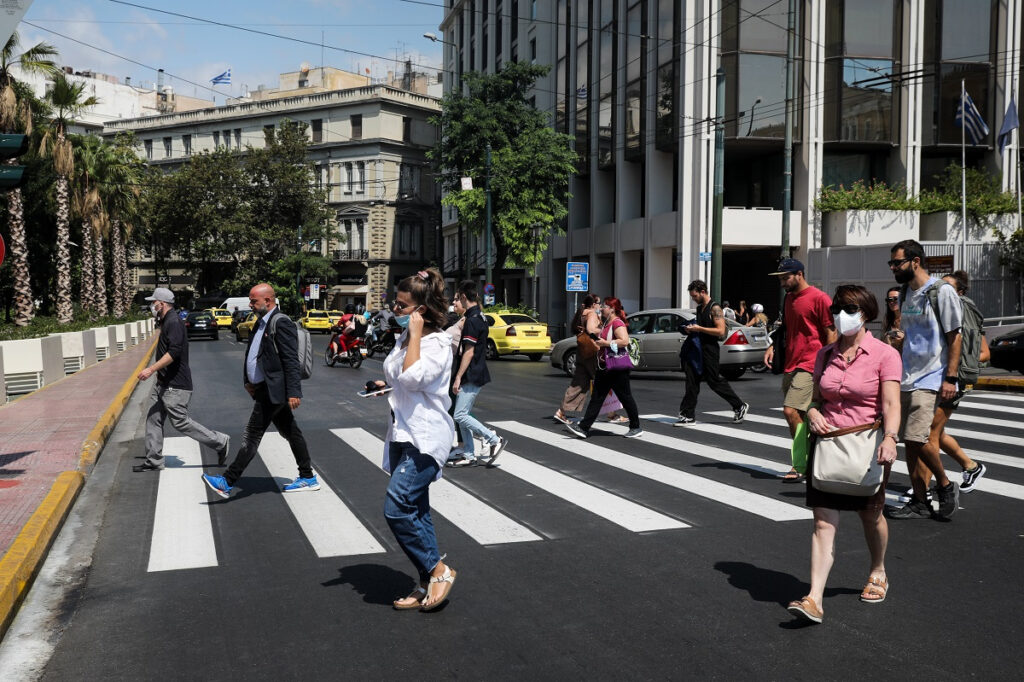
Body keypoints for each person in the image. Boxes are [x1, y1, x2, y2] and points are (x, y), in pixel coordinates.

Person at [786, 285, 901, 625]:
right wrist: (812, 412)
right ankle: (814, 598)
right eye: (837, 309)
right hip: (828, 446)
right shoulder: (825, 354)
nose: (840, 315)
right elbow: (817, 398)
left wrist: (891, 438)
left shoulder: (884, 354)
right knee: (823, 522)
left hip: (867, 446)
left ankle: (878, 570)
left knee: (871, 516)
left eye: (849, 309)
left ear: (866, 313)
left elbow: (892, 403)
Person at [379, 268, 458, 611]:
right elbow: (399, 378)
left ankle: (438, 570)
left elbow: (412, 377)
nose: (394, 310)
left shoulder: (438, 344)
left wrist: (413, 336)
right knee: (416, 509)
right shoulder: (404, 340)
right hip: (402, 433)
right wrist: (382, 387)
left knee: (396, 507)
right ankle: (427, 580)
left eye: (401, 306)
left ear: (420, 311)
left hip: (426, 438)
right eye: (394, 304)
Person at [202, 283, 317, 498]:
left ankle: (227, 481)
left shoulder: (281, 322)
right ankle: (308, 476)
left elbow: (290, 360)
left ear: (268, 300)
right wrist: (248, 380)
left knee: (252, 434)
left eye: (254, 301)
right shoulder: (261, 322)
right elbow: (253, 354)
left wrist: (294, 392)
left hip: (275, 389)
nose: (250, 304)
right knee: (292, 432)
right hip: (265, 387)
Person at [884, 240, 963, 520]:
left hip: (932, 375)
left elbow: (955, 335)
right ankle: (919, 500)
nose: (893, 267)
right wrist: (898, 340)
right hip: (907, 374)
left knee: (917, 437)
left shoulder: (941, 292)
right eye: (892, 263)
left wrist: (950, 377)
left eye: (898, 262)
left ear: (915, 261)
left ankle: (944, 484)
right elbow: (911, 333)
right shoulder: (905, 293)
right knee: (910, 441)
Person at [134, 287, 230, 472]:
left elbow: (174, 352)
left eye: (153, 302)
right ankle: (153, 460)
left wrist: (151, 369)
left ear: (162, 304)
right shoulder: (166, 320)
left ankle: (219, 441)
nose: (151, 305)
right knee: (153, 419)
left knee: (180, 422)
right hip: (164, 382)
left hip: (175, 385)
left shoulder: (174, 322)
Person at [765, 258, 837, 482]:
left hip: (810, 363)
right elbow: (787, 329)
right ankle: (812, 460)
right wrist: (771, 347)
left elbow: (831, 332)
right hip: (791, 362)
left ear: (799, 274)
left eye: (786, 278)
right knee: (802, 417)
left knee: (790, 411)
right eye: (780, 279)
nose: (783, 283)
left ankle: (800, 465)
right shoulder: (789, 299)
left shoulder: (819, 298)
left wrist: (827, 364)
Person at [931, 271, 987, 493]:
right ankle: (970, 465)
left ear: (960, 292)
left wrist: (960, 369)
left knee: (929, 434)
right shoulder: (946, 312)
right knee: (936, 432)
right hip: (938, 377)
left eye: (948, 288)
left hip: (953, 380)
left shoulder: (964, 311)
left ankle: (926, 487)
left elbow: (983, 352)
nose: (941, 292)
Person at [565, 297, 643, 439]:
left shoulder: (617, 323)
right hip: (605, 366)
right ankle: (583, 428)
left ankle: (636, 427)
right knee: (597, 397)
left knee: (625, 397)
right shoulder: (607, 323)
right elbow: (597, 335)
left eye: (605, 307)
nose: (601, 309)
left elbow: (624, 341)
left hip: (617, 367)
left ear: (612, 309)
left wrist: (606, 343)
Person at [450, 280, 508, 466]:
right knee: (462, 414)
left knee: (459, 415)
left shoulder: (473, 321)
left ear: (465, 297)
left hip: (472, 373)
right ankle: (468, 453)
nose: (456, 301)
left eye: (458, 298)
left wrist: (458, 376)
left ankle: (493, 439)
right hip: (475, 371)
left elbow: (469, 351)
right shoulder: (480, 317)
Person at [674, 281, 749, 426]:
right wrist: (691, 328)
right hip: (697, 350)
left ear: (703, 291)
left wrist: (699, 328)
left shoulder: (715, 308)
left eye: (695, 296)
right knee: (692, 380)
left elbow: (720, 331)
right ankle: (688, 415)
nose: (693, 299)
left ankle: (739, 405)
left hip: (710, 350)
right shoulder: (699, 308)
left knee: (714, 381)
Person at [554, 294, 601, 425]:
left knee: (578, 383)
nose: (600, 306)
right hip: (592, 351)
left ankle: (561, 412)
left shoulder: (581, 313)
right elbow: (591, 330)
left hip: (582, 350)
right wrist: (602, 329)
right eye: (599, 303)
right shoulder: (591, 314)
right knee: (603, 381)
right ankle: (610, 412)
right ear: (593, 304)